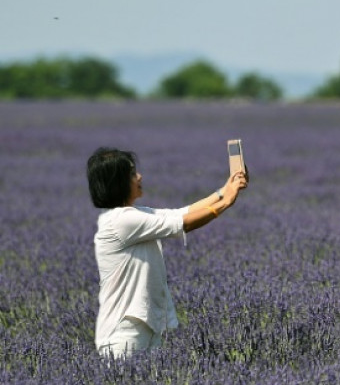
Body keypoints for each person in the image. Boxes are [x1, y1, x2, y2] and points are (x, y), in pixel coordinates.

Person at [86, 147, 248, 358]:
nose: (139, 176)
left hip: (143, 325)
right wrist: (226, 202)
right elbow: (184, 223)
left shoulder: (133, 215)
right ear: (118, 183)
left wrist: (223, 191)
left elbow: (182, 212)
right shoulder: (122, 222)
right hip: (125, 332)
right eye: (132, 174)